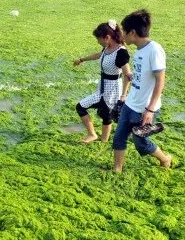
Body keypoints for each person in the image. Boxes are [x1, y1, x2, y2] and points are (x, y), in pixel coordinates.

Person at [112, 9, 172, 172]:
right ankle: (117, 169)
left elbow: (160, 81)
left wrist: (150, 109)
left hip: (145, 108)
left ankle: (165, 158)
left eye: (124, 31)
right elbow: (143, 75)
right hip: (130, 104)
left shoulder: (154, 50)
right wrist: (131, 78)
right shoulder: (140, 50)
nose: (122, 35)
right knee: (119, 137)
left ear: (132, 33)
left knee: (141, 143)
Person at [73, 20, 131, 143]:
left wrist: (123, 95)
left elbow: (127, 75)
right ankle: (93, 135)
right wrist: (81, 59)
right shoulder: (107, 47)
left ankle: (104, 140)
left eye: (98, 39)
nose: (98, 41)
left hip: (113, 89)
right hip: (102, 87)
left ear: (107, 37)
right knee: (81, 107)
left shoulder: (121, 52)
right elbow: (98, 55)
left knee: (107, 115)